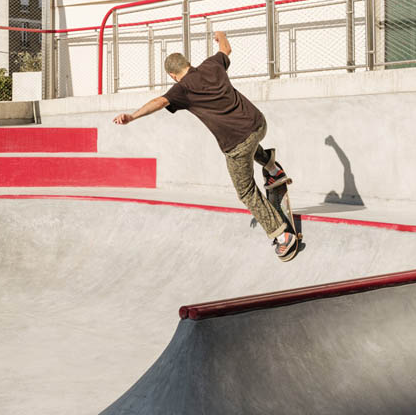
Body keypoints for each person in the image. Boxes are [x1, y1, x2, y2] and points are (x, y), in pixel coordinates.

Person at [112, 30, 297, 259]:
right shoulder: (212, 64)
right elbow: (226, 49)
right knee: (250, 143)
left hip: (236, 144)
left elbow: (159, 102)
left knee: (246, 191)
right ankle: (272, 168)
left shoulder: (182, 88)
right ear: (188, 63)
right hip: (259, 124)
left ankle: (282, 236)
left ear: (172, 75)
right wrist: (221, 35)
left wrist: (132, 116)